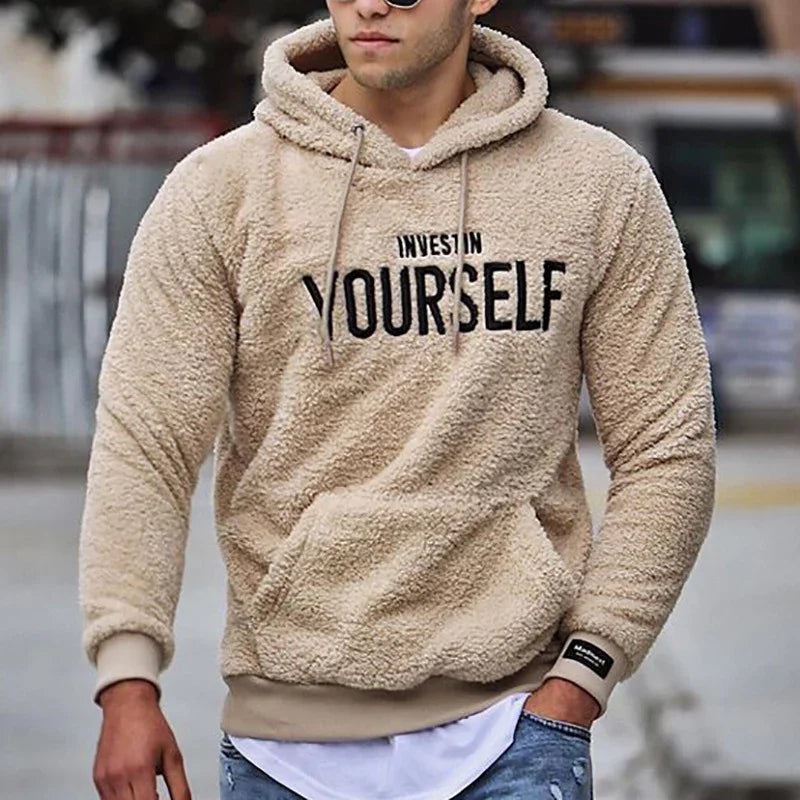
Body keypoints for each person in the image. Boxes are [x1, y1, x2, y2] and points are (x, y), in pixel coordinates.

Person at [78, 0, 717, 798]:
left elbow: (668, 445)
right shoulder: (221, 190)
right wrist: (127, 677)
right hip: (286, 745)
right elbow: (146, 443)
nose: (371, 4)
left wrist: (587, 672)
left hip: (515, 731)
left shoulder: (596, 183)